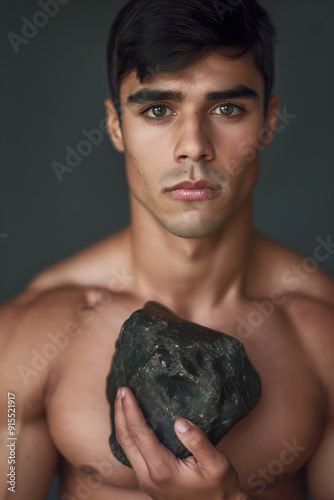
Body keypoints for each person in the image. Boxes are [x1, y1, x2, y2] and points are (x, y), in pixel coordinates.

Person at [0, 0, 333, 498]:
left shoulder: (321, 338)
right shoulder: (28, 337)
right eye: (158, 110)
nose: (193, 145)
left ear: (269, 120)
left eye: (227, 109)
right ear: (115, 126)